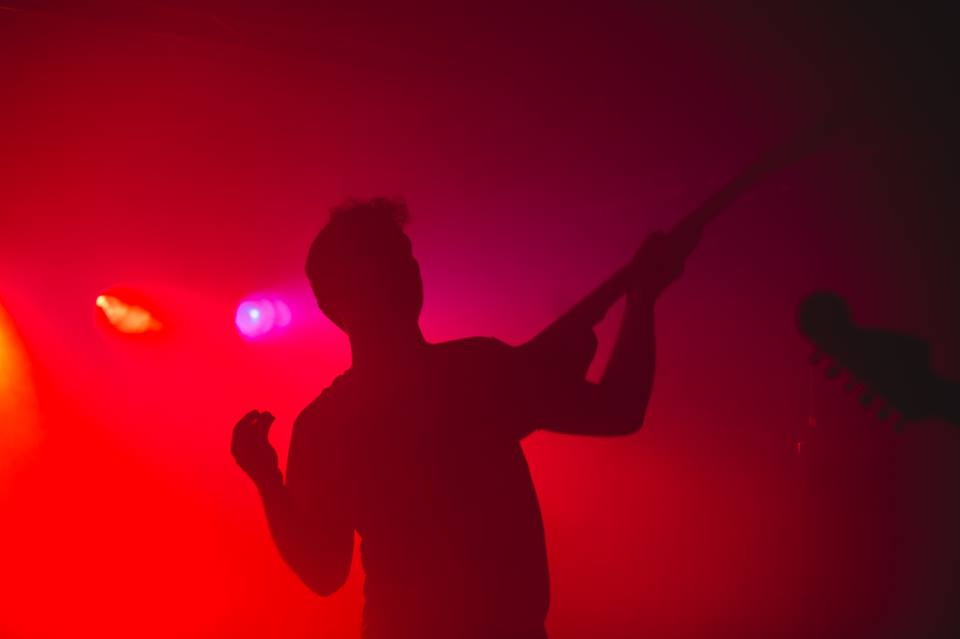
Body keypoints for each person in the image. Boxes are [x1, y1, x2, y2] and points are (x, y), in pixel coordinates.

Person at [231, 197, 692, 638]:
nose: (409, 268)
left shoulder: (327, 423)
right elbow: (618, 408)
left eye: (405, 256)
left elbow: (323, 571)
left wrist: (268, 479)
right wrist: (641, 301)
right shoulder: (476, 370)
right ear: (345, 295)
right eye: (389, 258)